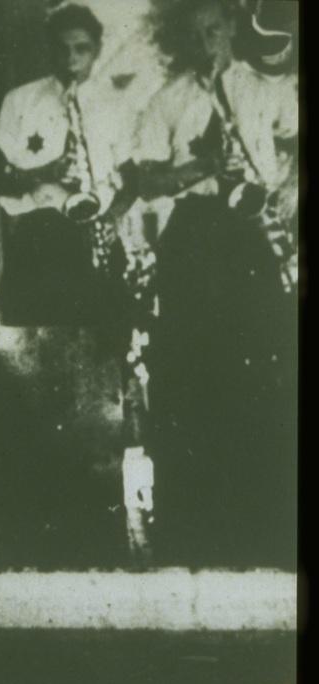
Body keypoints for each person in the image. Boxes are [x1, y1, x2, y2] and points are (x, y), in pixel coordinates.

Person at [132, 0, 297, 566]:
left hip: (250, 235)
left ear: (234, 27)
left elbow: (295, 151)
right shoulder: (168, 99)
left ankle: (267, 522)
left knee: (263, 369)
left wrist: (283, 199)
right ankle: (190, 526)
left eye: (217, 26)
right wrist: (201, 168)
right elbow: (148, 178)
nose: (208, 39)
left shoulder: (271, 88)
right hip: (193, 241)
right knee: (190, 374)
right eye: (196, 31)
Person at [0, 3, 135, 326]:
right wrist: (45, 173)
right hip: (35, 239)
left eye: (81, 48)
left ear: (97, 49)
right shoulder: (20, 100)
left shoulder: (116, 104)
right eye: (62, 48)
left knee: (98, 350)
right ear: (49, 49)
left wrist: (111, 219)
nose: (71, 58)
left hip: (93, 236)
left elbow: (132, 180)